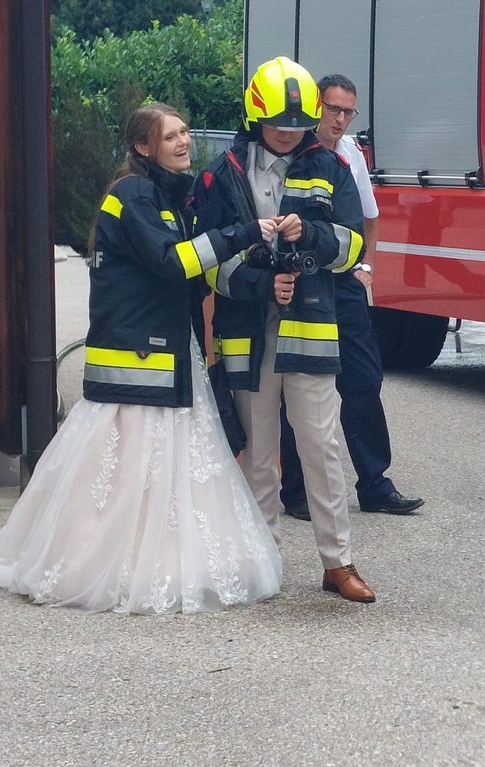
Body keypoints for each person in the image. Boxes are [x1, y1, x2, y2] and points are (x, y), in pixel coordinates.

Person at [0, 103, 282, 614]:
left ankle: (163, 564)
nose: (183, 141)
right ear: (143, 147)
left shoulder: (161, 194)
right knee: (125, 468)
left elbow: (191, 267)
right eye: (170, 135)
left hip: (165, 356)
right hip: (140, 360)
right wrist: (243, 232)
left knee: (156, 470)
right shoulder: (132, 195)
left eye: (185, 132)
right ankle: (113, 567)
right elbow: (173, 263)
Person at [192, 57, 376, 603]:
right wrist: (259, 284)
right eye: (279, 126)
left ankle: (337, 562)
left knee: (320, 444)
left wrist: (312, 237)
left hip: (310, 326)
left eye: (298, 126)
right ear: (256, 117)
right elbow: (208, 262)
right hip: (248, 329)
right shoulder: (220, 174)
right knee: (259, 448)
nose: (290, 135)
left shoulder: (333, 167)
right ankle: (264, 560)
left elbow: (352, 247)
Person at [279, 74, 424, 522]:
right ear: (315, 106)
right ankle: (296, 489)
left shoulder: (351, 155)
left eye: (348, 112)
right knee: (301, 387)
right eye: (333, 109)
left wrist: (366, 270)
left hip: (344, 285)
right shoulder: (294, 154)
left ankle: (375, 484)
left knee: (364, 381)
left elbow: (370, 217)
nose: (340, 119)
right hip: (304, 285)